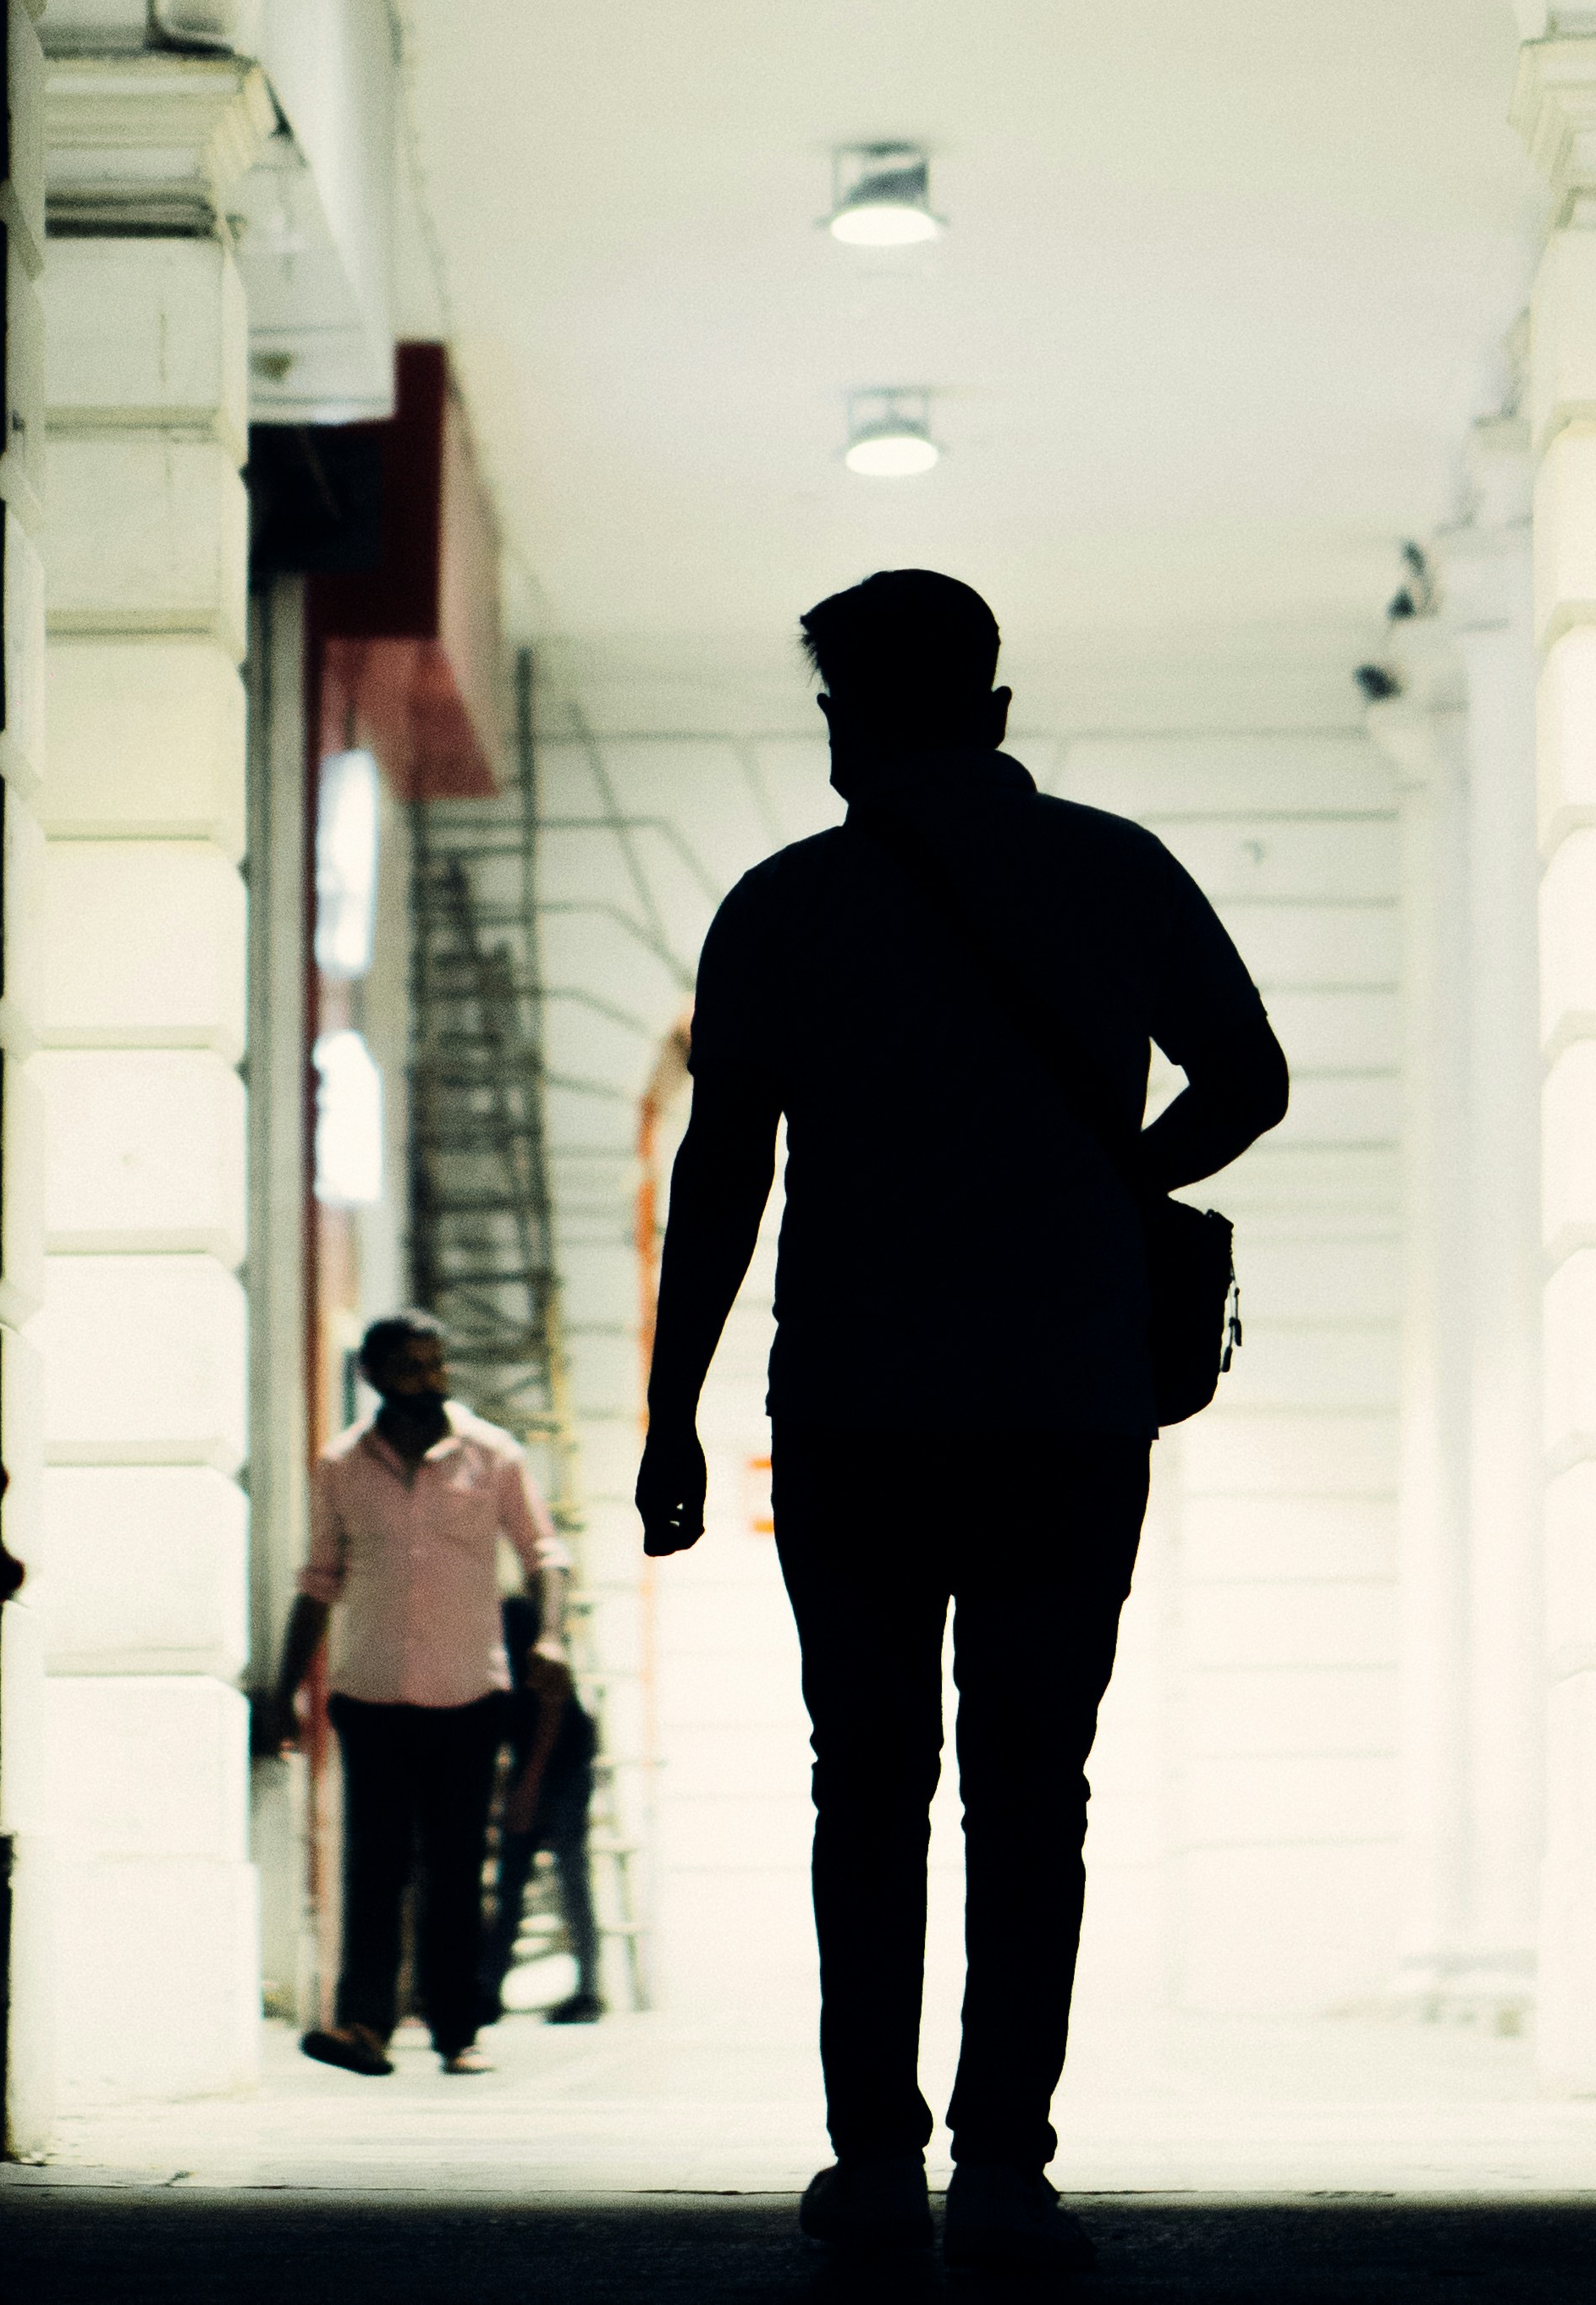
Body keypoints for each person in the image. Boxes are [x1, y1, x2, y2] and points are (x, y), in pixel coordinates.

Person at [636, 571, 1290, 2276]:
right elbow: (1251, 1077)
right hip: (1068, 1403)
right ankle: (1005, 2153)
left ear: (844, 715)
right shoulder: (1116, 870)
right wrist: (1110, 1179)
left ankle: (873, 2151)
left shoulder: (783, 905)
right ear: (995, 708)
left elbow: (721, 1175)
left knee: (865, 1780)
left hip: (850, 1402)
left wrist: (670, 1411)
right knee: (1032, 1782)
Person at [257, 1310, 567, 2079]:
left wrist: (552, 1636)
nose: (428, 1380)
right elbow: (319, 1580)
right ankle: (364, 2025)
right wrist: (285, 1687)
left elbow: (543, 1554)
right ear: (372, 1375)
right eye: (409, 1368)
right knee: (375, 1865)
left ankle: (459, 2030)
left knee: (458, 1867)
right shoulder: (340, 1464)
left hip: (470, 1694)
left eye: (435, 1364)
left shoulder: (491, 1454)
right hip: (370, 1693)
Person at [478, 1591, 603, 2028]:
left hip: (561, 1770)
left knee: (568, 1878)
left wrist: (527, 1790)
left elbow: (549, 1725)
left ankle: (588, 1991)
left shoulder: (536, 1660)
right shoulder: (509, 1658)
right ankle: (488, 1990)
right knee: (520, 1882)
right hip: (547, 1766)